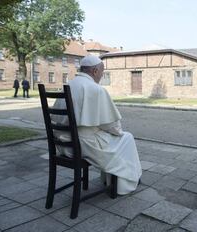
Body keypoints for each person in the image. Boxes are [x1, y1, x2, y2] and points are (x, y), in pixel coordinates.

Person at [52, 55, 142, 195]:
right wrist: (117, 132)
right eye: (102, 71)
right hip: (84, 146)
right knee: (127, 137)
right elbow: (112, 126)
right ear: (95, 71)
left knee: (116, 139)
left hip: (63, 145)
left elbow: (57, 119)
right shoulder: (95, 89)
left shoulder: (68, 85)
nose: (101, 75)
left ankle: (113, 179)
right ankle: (125, 181)